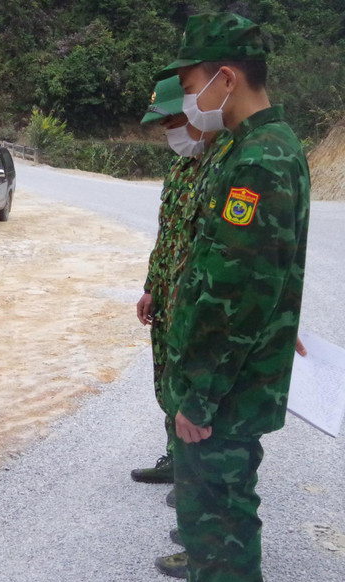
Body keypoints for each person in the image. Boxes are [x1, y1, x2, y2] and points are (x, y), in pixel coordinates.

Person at [153, 13, 311, 582]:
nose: (191, 100)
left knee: (218, 526)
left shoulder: (259, 159)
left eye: (192, 87)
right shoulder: (262, 145)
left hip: (223, 393)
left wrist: (197, 394)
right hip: (231, 382)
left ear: (226, 78)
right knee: (218, 520)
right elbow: (262, 274)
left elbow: (233, 294)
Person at [131, 76, 231, 486]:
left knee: (197, 383)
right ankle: (178, 458)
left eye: (173, 119)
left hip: (198, 302)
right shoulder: (180, 167)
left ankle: (199, 474)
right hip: (169, 299)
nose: (169, 130)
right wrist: (152, 285)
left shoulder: (224, 164)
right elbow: (168, 232)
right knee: (169, 381)